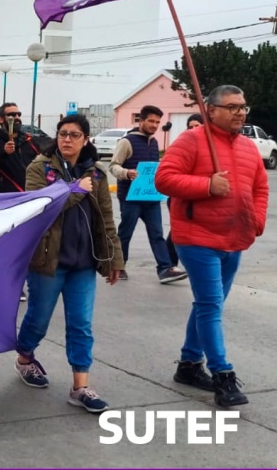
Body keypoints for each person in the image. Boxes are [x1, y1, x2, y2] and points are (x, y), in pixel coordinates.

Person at [155, 85, 268, 407]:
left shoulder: (247, 147)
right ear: (210, 110)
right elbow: (164, 178)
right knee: (210, 305)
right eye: (232, 107)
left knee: (208, 305)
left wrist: (256, 220)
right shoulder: (191, 140)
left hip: (235, 238)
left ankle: (189, 364)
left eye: (243, 106)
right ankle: (223, 374)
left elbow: (259, 187)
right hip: (197, 237)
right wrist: (207, 185)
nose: (240, 112)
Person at [14, 114, 124, 413]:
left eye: (75, 135)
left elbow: (106, 220)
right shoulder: (41, 167)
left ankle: (80, 386)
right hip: (48, 259)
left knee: (81, 324)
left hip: (83, 263)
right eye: (63, 133)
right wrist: (74, 190)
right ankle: (25, 357)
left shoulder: (97, 174)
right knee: (38, 319)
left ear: (85, 139)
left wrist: (115, 258)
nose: (67, 139)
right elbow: (39, 207)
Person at [109, 105, 187, 284]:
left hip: (151, 198)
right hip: (130, 197)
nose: (154, 125)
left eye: (157, 122)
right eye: (151, 121)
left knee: (157, 233)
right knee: (126, 233)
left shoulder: (154, 142)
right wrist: (126, 173)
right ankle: (119, 267)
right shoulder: (127, 142)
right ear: (141, 121)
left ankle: (165, 269)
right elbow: (113, 166)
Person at [165, 113, 205, 268]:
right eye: (190, 126)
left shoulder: (210, 147)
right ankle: (169, 264)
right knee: (178, 230)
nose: (193, 129)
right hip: (180, 196)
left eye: (197, 126)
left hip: (201, 196)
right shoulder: (181, 145)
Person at [0, 102, 40, 193]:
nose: (17, 117)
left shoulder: (28, 140)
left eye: (18, 114)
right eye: (11, 115)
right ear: (1, 119)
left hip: (28, 193)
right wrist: (3, 152)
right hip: (4, 195)